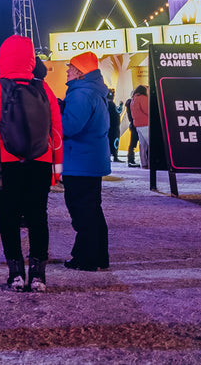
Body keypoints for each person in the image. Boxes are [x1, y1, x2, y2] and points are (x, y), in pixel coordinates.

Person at [0, 34, 63, 292]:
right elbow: (56, 131)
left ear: (3, 58)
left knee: (8, 217)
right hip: (40, 161)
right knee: (37, 216)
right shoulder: (44, 88)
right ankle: (38, 274)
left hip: (3, 163)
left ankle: (15, 273)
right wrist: (56, 167)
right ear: (31, 59)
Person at [60, 52, 110, 272]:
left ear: (80, 73)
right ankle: (98, 255)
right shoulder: (94, 92)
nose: (68, 71)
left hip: (79, 161)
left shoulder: (80, 95)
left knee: (81, 210)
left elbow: (69, 127)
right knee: (92, 209)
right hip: (90, 161)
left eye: (71, 67)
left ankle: (87, 258)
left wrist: (55, 117)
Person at [130, 85, 151, 168]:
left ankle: (144, 163)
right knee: (150, 145)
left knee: (142, 145)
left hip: (138, 124)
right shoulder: (143, 98)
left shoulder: (134, 99)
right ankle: (151, 163)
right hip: (146, 123)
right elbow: (147, 110)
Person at [105, 90, 121, 162]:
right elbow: (117, 112)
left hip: (108, 126)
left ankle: (108, 156)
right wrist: (120, 106)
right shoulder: (111, 104)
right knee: (115, 141)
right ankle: (115, 156)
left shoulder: (105, 104)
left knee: (108, 142)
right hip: (114, 127)